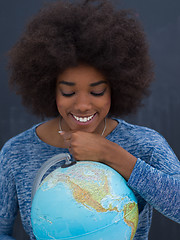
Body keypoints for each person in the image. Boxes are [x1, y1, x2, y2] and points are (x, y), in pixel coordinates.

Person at [0, 0, 179, 239]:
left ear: (116, 88)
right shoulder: (16, 152)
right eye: (68, 92)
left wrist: (112, 154)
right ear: (49, 88)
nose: (83, 105)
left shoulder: (146, 145)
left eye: (97, 92)